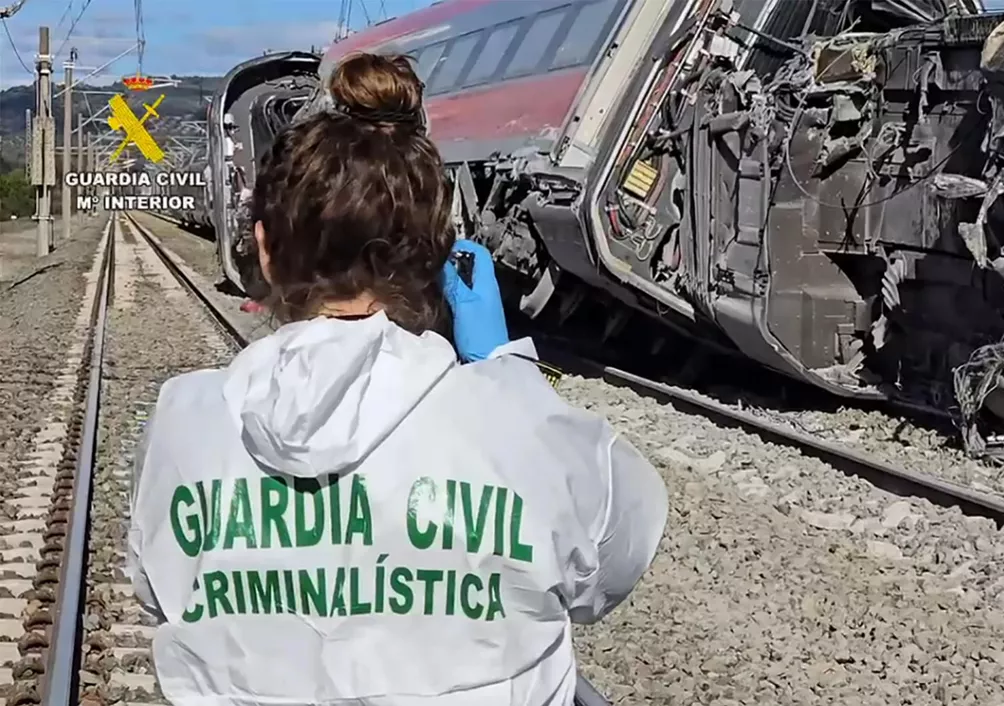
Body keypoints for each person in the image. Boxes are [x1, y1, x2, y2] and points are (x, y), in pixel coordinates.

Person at [125, 52, 668, 706]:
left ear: (264, 247)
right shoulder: (524, 429)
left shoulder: (185, 421)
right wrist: (508, 377)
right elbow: (612, 564)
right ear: (442, 255)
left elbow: (159, 589)